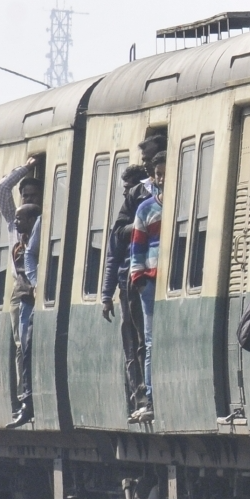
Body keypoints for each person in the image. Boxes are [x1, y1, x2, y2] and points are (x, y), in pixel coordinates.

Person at [101, 163, 150, 419]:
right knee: (131, 344)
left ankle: (144, 397)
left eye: (130, 189)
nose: (126, 196)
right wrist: (106, 295)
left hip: (142, 280)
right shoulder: (129, 217)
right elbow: (113, 254)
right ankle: (138, 397)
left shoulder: (146, 201)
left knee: (141, 343)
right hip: (126, 283)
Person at [0, 164, 43, 428]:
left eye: (33, 196)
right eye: (25, 195)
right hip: (19, 288)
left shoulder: (40, 222)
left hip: (35, 289)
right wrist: (27, 167)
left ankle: (30, 396)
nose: (28, 199)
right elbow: (3, 188)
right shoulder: (15, 220)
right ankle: (23, 397)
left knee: (29, 344)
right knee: (20, 344)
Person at [126, 144, 165, 425]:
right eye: (159, 175)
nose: (162, 179)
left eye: (167, 174)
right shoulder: (145, 208)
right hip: (150, 281)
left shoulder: (183, 205)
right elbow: (136, 247)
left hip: (171, 279)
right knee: (150, 342)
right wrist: (138, 278)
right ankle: (151, 398)